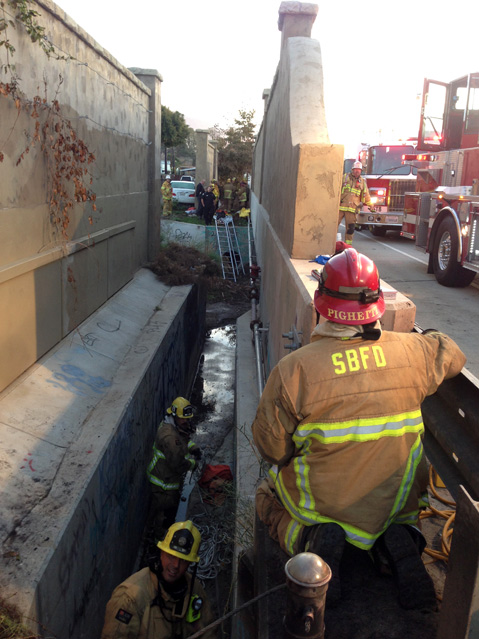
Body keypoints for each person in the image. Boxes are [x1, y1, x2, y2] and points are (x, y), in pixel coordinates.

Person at [252, 248, 466, 610]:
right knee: (402, 510)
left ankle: (310, 539)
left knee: (265, 495)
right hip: (391, 508)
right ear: (377, 305)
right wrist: (423, 340)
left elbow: (271, 449)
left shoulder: (294, 371)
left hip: (323, 511)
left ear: (321, 304)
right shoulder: (416, 352)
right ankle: (402, 537)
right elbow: (453, 353)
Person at [101, 520, 217, 639]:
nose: (176, 565)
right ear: (161, 553)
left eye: (183, 560)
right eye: (171, 556)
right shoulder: (130, 598)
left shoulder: (193, 589)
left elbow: (208, 632)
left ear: (190, 564)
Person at [147, 398, 201, 541]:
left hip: (166, 477)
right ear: (175, 415)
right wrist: (192, 464)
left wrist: (192, 447)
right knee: (165, 515)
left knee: (166, 511)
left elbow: (182, 440)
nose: (186, 421)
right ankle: (161, 540)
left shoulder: (172, 425)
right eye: (183, 418)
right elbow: (178, 464)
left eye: (187, 418)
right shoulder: (169, 436)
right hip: (164, 482)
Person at [338, 160, 374, 244]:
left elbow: (366, 195)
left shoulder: (362, 182)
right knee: (333, 226)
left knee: (350, 229)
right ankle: (330, 245)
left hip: (352, 209)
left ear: (361, 171)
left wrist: (371, 205)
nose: (357, 171)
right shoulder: (345, 177)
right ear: (352, 170)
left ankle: (348, 246)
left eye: (359, 170)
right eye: (355, 169)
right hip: (340, 208)